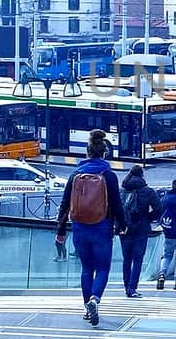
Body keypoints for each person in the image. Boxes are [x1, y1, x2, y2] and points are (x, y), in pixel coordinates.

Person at [55, 129, 126, 326]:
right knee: (103, 268)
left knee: (87, 269)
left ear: (87, 153)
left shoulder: (75, 175)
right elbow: (116, 204)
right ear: (104, 153)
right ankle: (95, 299)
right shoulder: (109, 176)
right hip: (102, 227)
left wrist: (60, 232)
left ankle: (87, 307)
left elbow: (64, 205)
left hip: (79, 228)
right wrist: (122, 225)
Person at [118, 165, 160, 298]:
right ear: (142, 175)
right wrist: (148, 218)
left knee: (126, 259)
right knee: (138, 259)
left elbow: (114, 209)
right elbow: (159, 208)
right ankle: (132, 287)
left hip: (124, 228)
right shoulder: (147, 191)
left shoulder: (121, 190)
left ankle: (126, 286)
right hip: (141, 228)